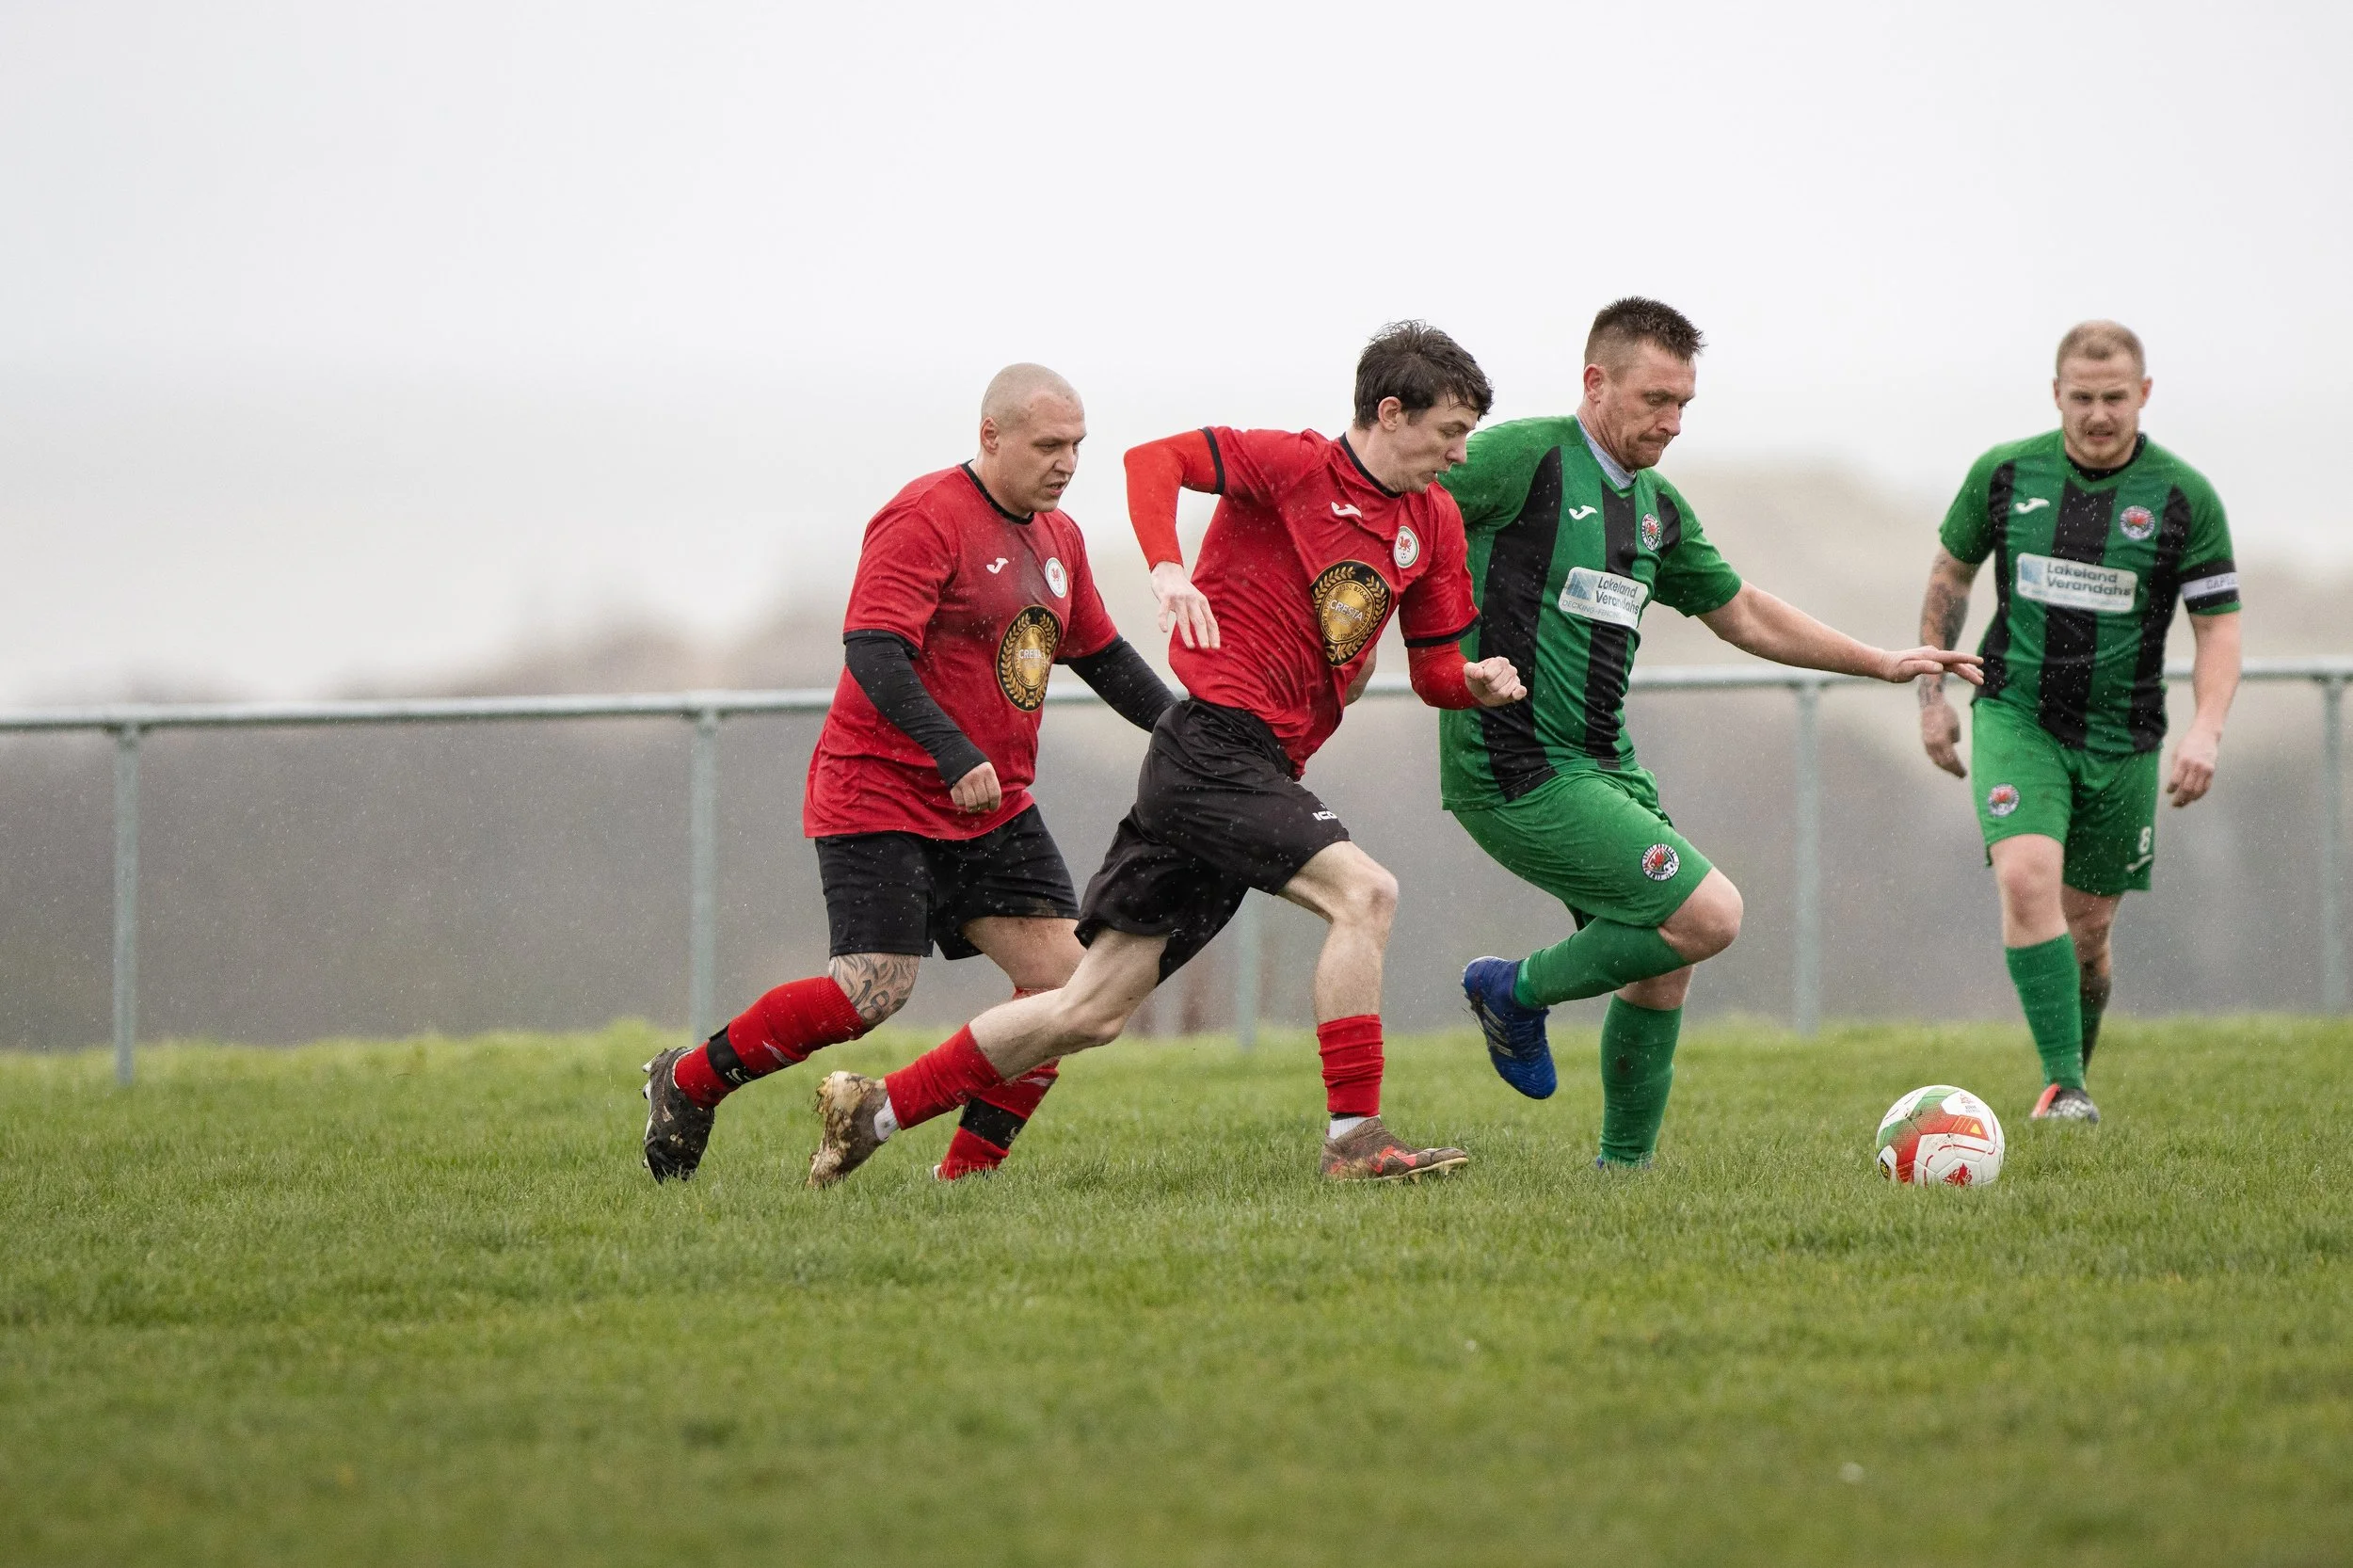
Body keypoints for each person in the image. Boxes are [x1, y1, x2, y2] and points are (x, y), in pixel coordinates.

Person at [802, 322, 1527, 1188]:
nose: (1459, 453)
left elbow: (1435, 669)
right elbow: (1155, 460)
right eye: (1450, 433)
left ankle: (871, 1113)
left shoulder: (1434, 522)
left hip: (1247, 768)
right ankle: (1356, 1140)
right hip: (1215, 746)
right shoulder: (1293, 465)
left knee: (1088, 1008)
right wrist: (1168, 568)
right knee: (1366, 894)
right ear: (1392, 412)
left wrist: (1472, 683)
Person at [1445, 297, 1981, 1168]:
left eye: (1685, 404)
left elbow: (1742, 613)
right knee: (1710, 913)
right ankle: (1513, 990)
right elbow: (1392, 513)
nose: (1674, 422)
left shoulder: (1655, 507)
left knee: (1665, 958)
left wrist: (1880, 662)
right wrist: (1384, 642)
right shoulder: (1521, 457)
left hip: (1605, 767)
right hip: (1514, 767)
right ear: (1595, 381)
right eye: (1657, 399)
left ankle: (1624, 1179)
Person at [640, 364, 1175, 1182]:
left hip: (993, 807)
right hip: (879, 790)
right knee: (870, 994)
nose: (1066, 462)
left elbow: (1100, 655)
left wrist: (1186, 729)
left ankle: (965, 1178)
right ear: (991, 437)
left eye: (1076, 445)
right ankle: (688, 1082)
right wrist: (953, 752)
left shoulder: (1058, 538)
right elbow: (874, 652)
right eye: (1048, 444)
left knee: (1071, 991)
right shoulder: (925, 516)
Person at [1917, 321, 2241, 1124]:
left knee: (2088, 934)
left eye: (2115, 398)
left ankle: (2069, 1071)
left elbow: (2218, 626)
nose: (2099, 414)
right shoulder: (2004, 473)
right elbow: (1949, 579)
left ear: (2145, 395)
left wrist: (2207, 728)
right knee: (2026, 878)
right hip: (2017, 715)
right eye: (2083, 397)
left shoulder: (2183, 497)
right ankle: (2066, 1087)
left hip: (2123, 736)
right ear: (2056, 393)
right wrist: (1932, 702)